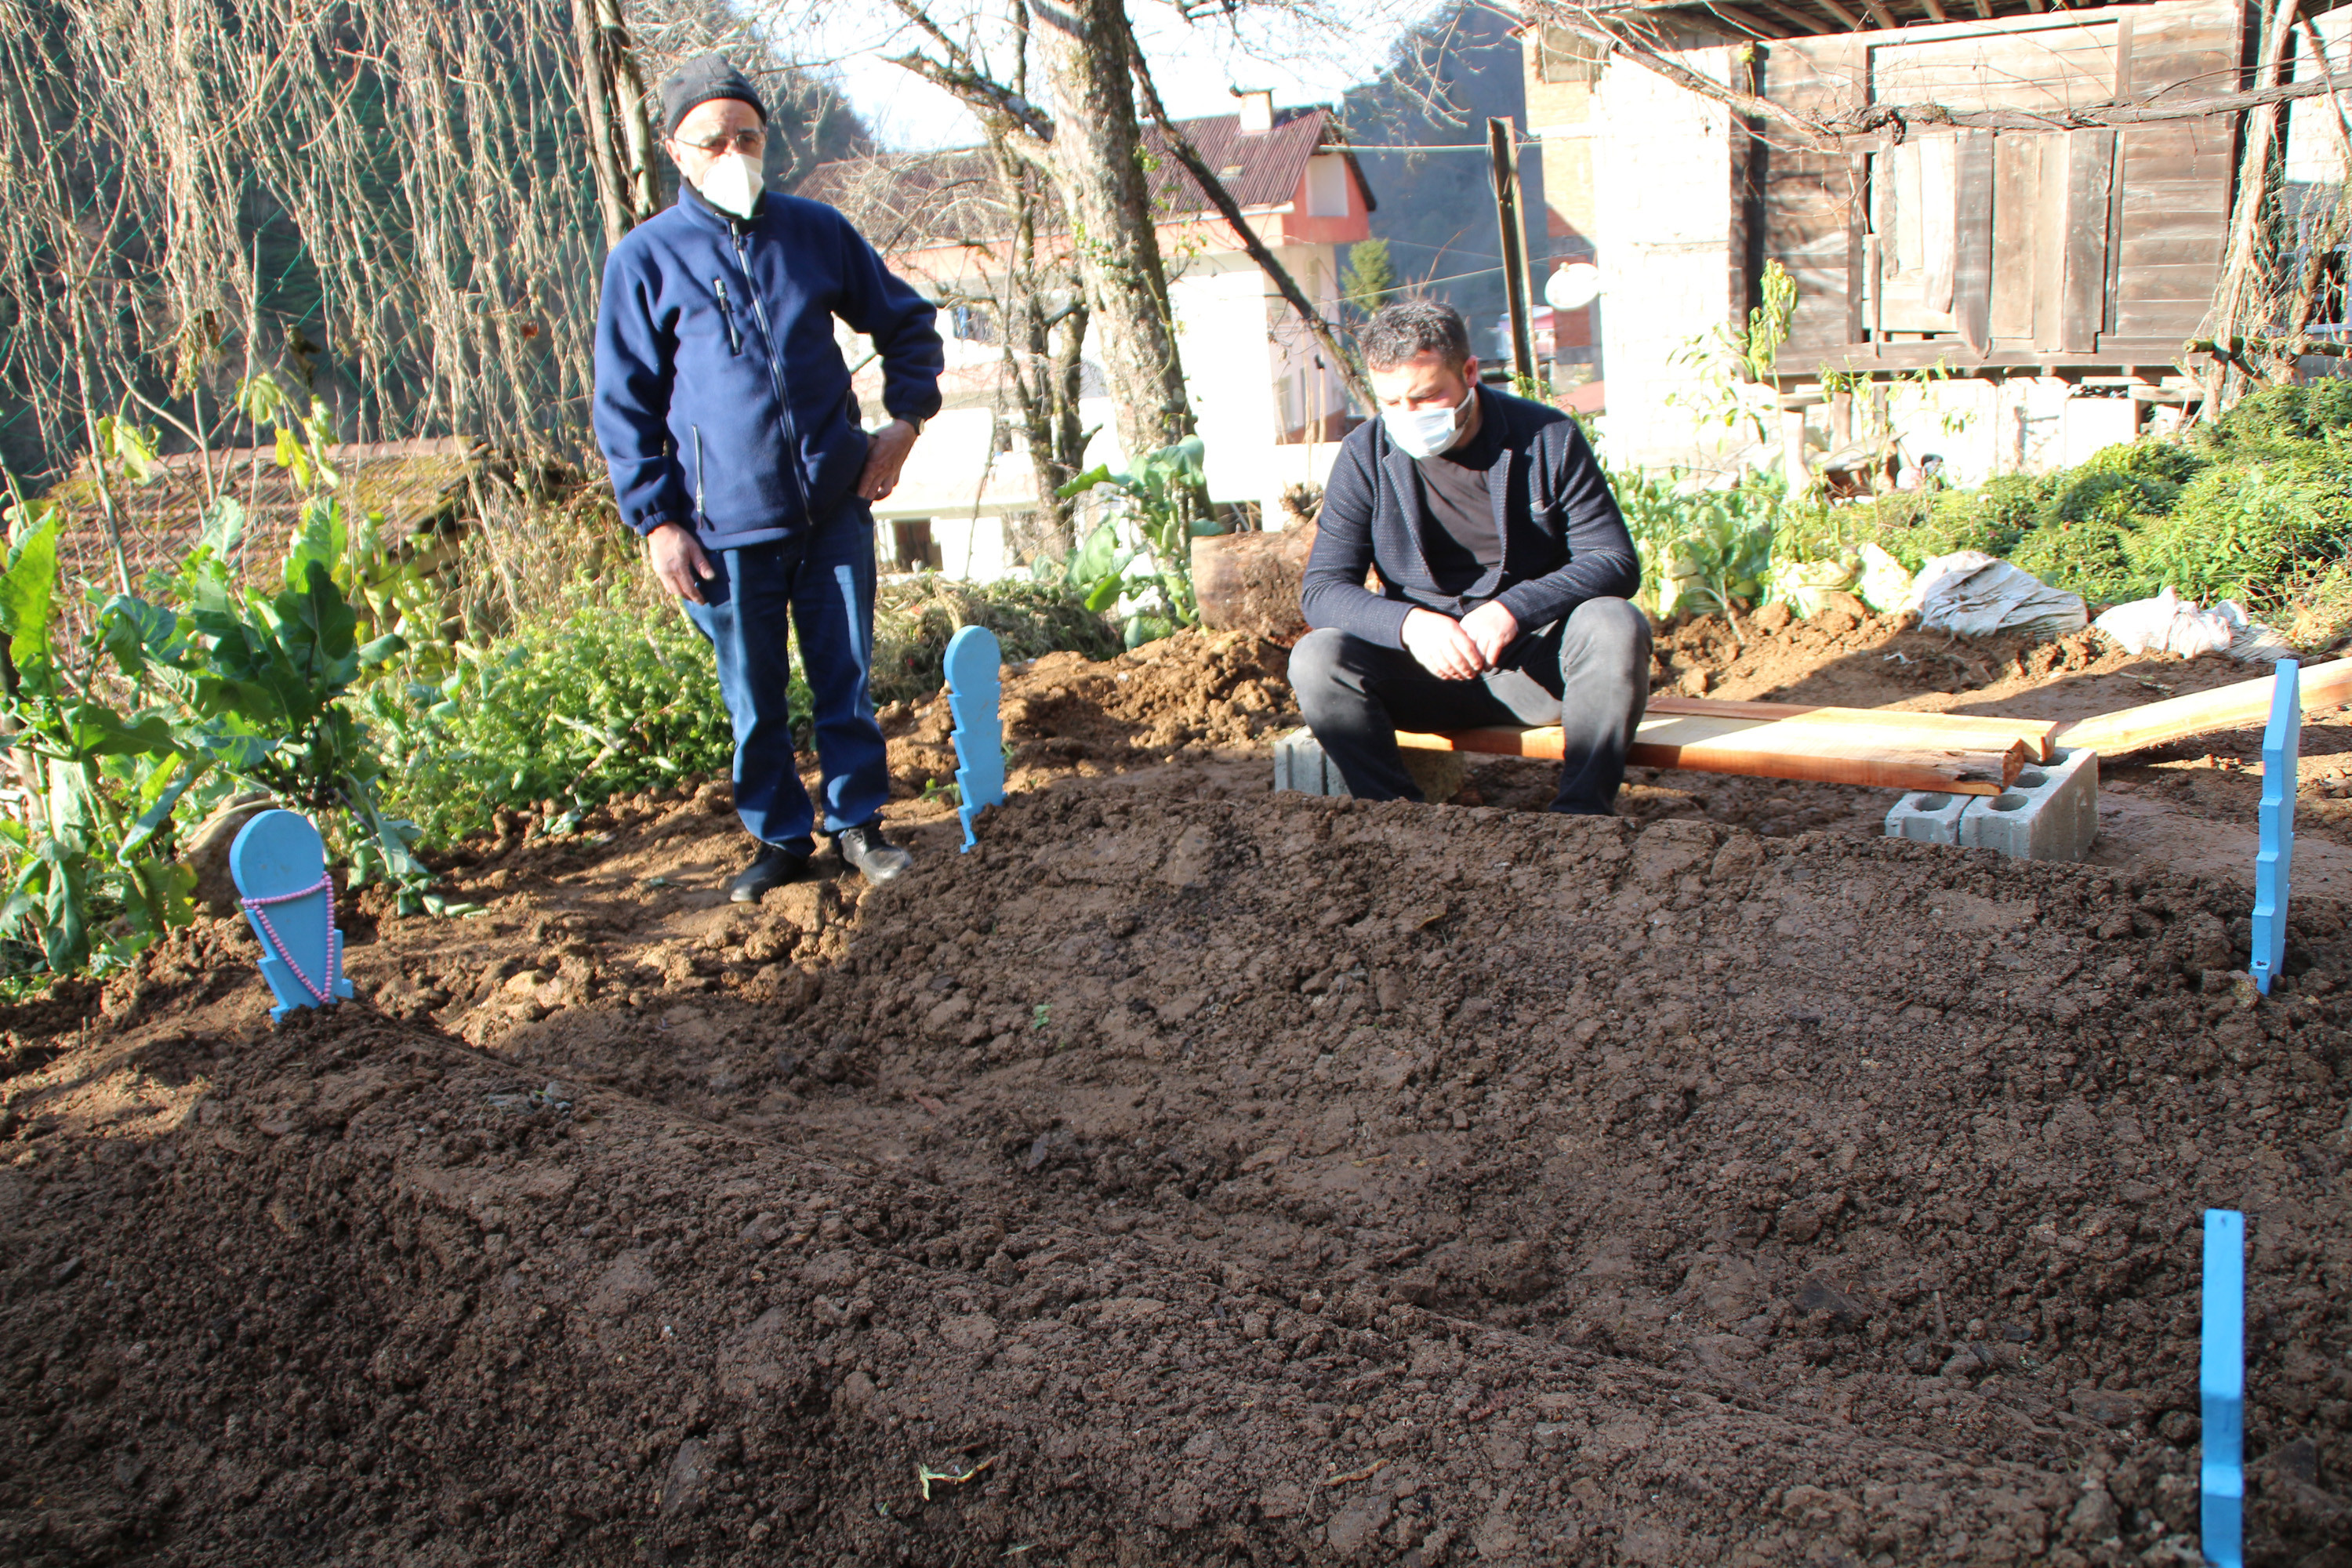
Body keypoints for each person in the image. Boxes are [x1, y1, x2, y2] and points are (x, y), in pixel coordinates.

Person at [593, 55, 945, 901]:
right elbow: (624, 406)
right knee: (754, 697)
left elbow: (908, 324)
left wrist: (902, 425)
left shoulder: (814, 232)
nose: (734, 153)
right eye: (713, 141)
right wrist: (658, 522)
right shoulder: (645, 260)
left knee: (845, 678)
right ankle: (780, 839)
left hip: (832, 509)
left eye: (747, 137)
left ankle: (857, 824)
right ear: (676, 151)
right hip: (720, 530)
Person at [1292, 300, 1650, 814]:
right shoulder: (1363, 455)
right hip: (1418, 678)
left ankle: (1580, 820)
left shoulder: (1548, 438)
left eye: (1427, 396)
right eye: (1391, 401)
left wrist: (1513, 611)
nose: (1409, 415)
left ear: (1470, 372)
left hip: (1535, 671)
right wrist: (1410, 625)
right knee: (1317, 657)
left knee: (1615, 623)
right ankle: (1399, 820)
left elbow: (1612, 559)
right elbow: (1323, 590)